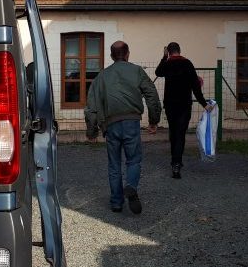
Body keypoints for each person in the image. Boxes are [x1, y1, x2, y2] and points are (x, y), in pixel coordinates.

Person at [85, 40, 161, 214]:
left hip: (110, 124)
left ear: (112, 56)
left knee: (114, 164)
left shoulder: (102, 76)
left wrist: (92, 130)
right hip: (131, 121)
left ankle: (116, 203)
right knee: (133, 159)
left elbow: (92, 105)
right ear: (127, 54)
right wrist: (153, 120)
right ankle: (131, 186)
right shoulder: (137, 71)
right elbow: (152, 95)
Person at [155, 42, 214, 179]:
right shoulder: (188, 63)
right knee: (180, 134)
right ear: (179, 51)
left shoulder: (167, 64)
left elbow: (158, 72)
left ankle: (174, 161)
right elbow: (195, 85)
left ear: (169, 52)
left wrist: (164, 58)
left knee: (173, 132)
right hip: (184, 105)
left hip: (170, 105)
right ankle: (176, 163)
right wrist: (204, 104)